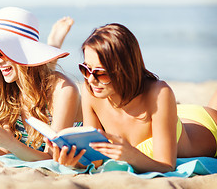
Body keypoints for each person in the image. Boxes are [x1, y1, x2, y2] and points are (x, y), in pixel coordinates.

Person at [49, 23, 217, 173]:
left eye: (100, 73)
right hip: (171, 115)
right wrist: (73, 161)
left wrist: (131, 155)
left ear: (123, 69)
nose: (91, 79)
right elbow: (97, 159)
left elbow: (167, 166)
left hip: (206, 124)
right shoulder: (91, 92)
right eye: (86, 69)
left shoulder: (159, 92)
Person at [0, 7, 82, 161]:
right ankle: (53, 43)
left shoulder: (63, 89)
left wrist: (9, 142)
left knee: (40, 77)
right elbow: (5, 152)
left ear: (23, 51)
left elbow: (53, 158)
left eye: (1, 52)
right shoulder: (8, 89)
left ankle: (54, 43)